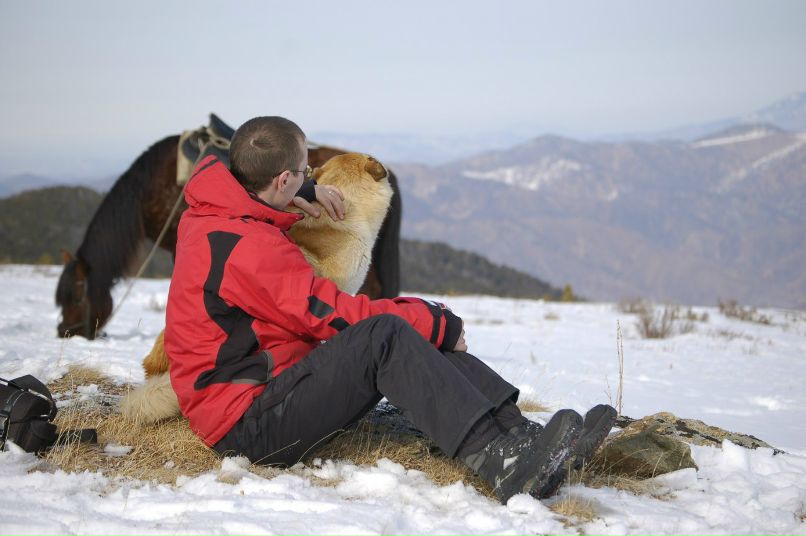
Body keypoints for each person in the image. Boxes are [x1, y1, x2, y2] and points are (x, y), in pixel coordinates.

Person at [164, 116, 616, 504]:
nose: (310, 176)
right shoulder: (247, 246)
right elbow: (334, 316)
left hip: (266, 387)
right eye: (303, 170)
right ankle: (501, 464)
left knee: (404, 328)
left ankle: (521, 437)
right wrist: (435, 320)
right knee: (389, 333)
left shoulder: (218, 211)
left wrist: (306, 191)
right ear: (280, 179)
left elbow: (261, 211)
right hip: (246, 426)